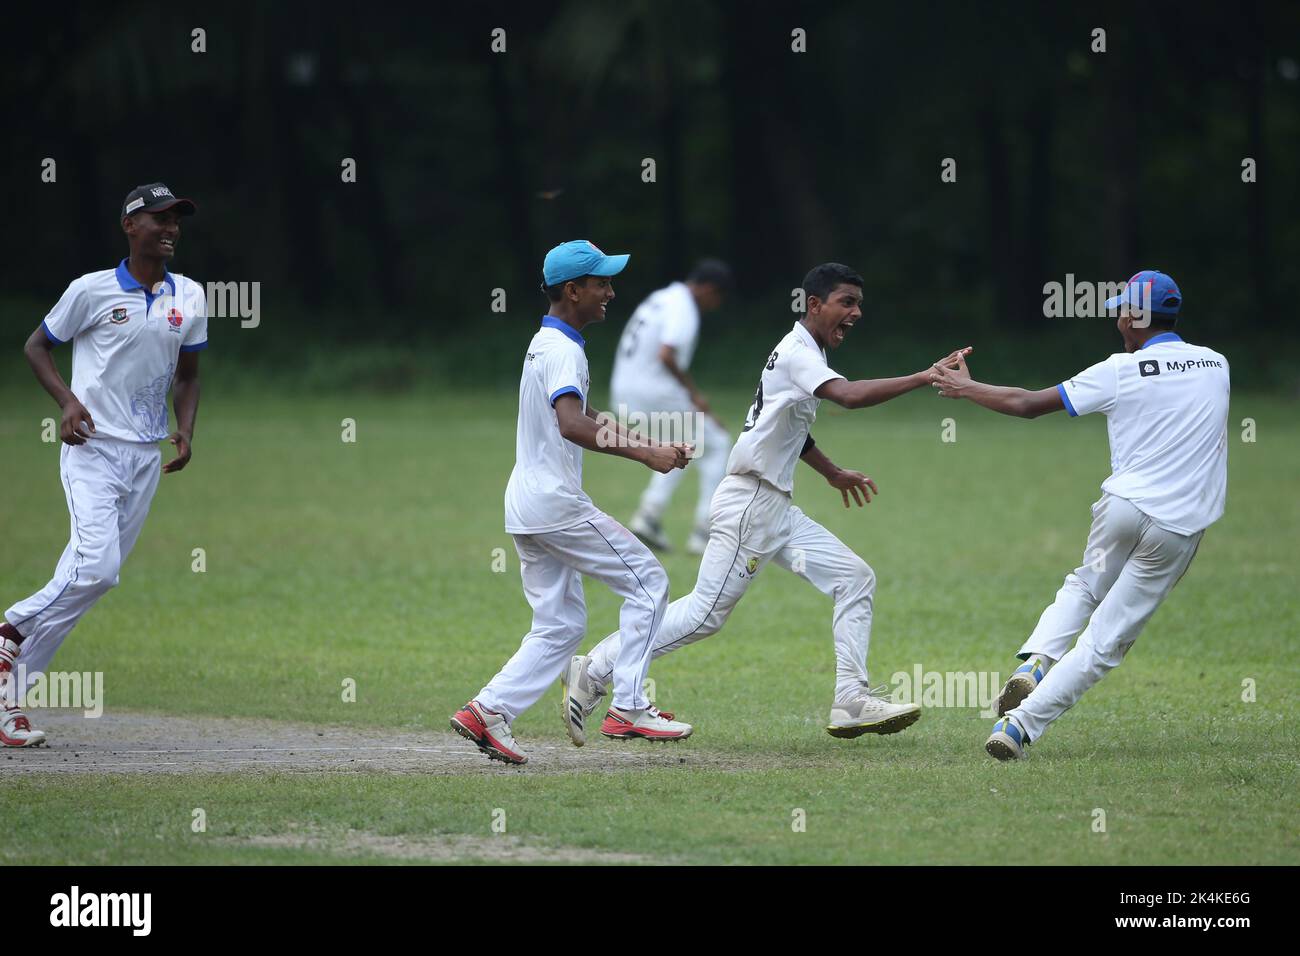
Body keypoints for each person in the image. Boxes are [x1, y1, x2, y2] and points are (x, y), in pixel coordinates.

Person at [561, 262, 970, 742]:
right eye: (846, 303)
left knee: (854, 578)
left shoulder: (802, 350)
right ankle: (595, 669)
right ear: (814, 305)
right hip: (752, 505)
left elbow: (788, 428)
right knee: (703, 615)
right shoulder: (799, 354)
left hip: (774, 508)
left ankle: (851, 700)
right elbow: (850, 396)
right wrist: (924, 377)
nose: (856, 313)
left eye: (859, 304)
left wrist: (832, 472)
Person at [929, 270, 1229, 760]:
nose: (1116, 320)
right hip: (1179, 527)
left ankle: (1036, 663)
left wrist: (967, 388)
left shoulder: (1117, 370)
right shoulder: (1217, 365)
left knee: (1085, 586)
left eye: (1120, 311)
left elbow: (1028, 405)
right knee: (1103, 645)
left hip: (1123, 507)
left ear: (1135, 316)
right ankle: (1018, 729)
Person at [450, 240, 696, 765]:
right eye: (601, 283)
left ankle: (488, 711)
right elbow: (572, 423)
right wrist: (644, 456)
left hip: (526, 504)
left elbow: (584, 411)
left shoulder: (548, 342)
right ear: (573, 289)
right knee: (650, 584)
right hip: (555, 505)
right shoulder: (564, 349)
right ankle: (630, 706)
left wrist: (651, 446)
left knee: (560, 626)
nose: (611, 292)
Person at [1, 183, 207, 747]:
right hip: (92, 449)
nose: (170, 228)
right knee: (98, 570)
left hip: (144, 457)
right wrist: (68, 402)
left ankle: (7, 701)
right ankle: (10, 627)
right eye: (158, 218)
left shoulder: (189, 296)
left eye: (176, 220)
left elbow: (188, 375)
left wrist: (184, 429)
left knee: (85, 587)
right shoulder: (90, 290)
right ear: (129, 226)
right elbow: (36, 345)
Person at [613, 259, 734, 555]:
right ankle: (705, 531)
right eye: (718, 298)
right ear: (708, 289)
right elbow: (667, 354)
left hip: (624, 389)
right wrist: (694, 395)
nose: (716, 306)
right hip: (654, 389)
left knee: (684, 445)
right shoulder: (684, 308)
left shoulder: (661, 297)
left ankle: (650, 515)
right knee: (718, 443)